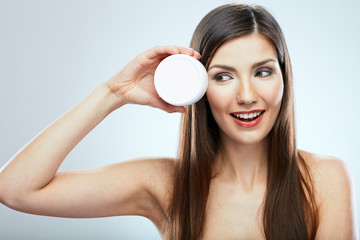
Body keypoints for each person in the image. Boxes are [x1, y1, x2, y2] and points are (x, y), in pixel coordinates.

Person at [0, 3, 358, 240]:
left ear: (284, 78)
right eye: (223, 76)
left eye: (263, 72)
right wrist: (114, 93)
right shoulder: (166, 184)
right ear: (198, 85)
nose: (247, 95)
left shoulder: (323, 179)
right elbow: (15, 189)